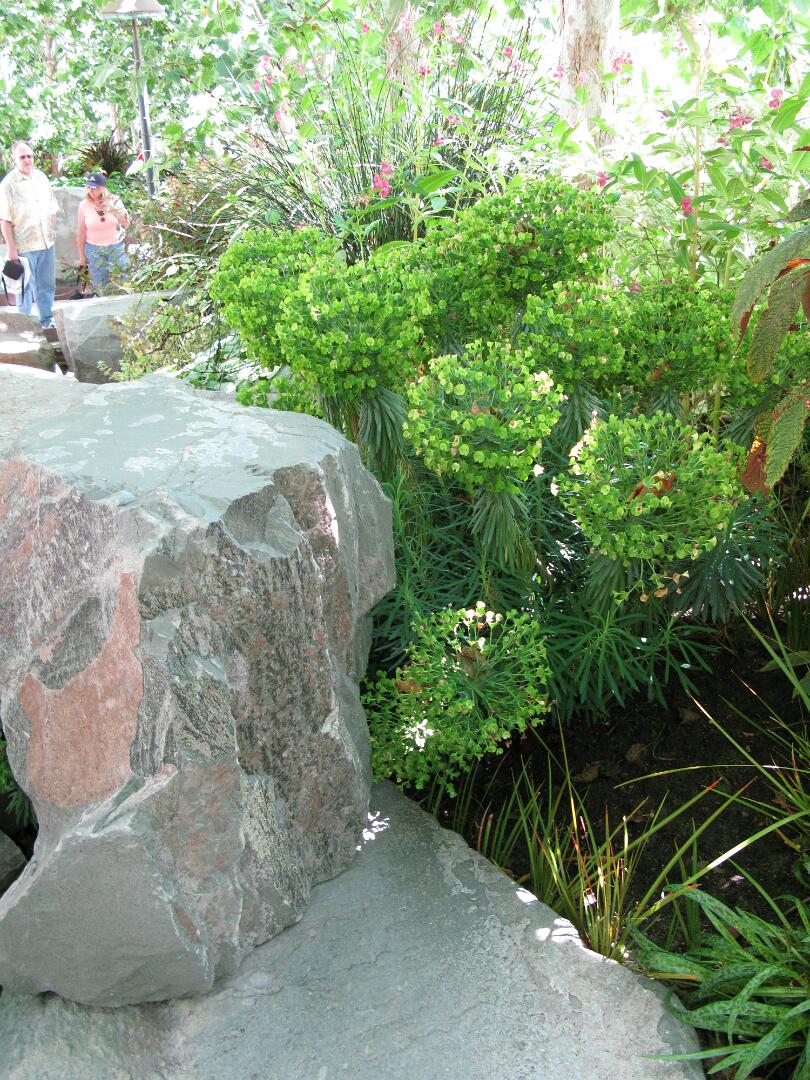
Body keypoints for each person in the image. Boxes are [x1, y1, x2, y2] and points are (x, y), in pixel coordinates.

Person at [0, 140, 59, 329]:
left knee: (46, 285)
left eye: (29, 156)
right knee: (24, 288)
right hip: (24, 246)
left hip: (46, 242)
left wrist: (53, 229)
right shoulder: (8, 184)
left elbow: (52, 208)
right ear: (14, 159)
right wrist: (11, 248)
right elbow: (5, 219)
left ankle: (47, 321)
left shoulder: (41, 177)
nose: (27, 160)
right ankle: (25, 326)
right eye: (22, 157)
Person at [77, 173, 130, 292]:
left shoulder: (114, 200)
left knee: (123, 278)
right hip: (94, 249)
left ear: (102, 188)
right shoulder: (84, 205)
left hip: (115, 246)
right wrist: (82, 256)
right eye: (88, 187)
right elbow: (81, 231)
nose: (91, 191)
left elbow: (126, 224)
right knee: (99, 284)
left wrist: (113, 209)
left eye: (94, 188)